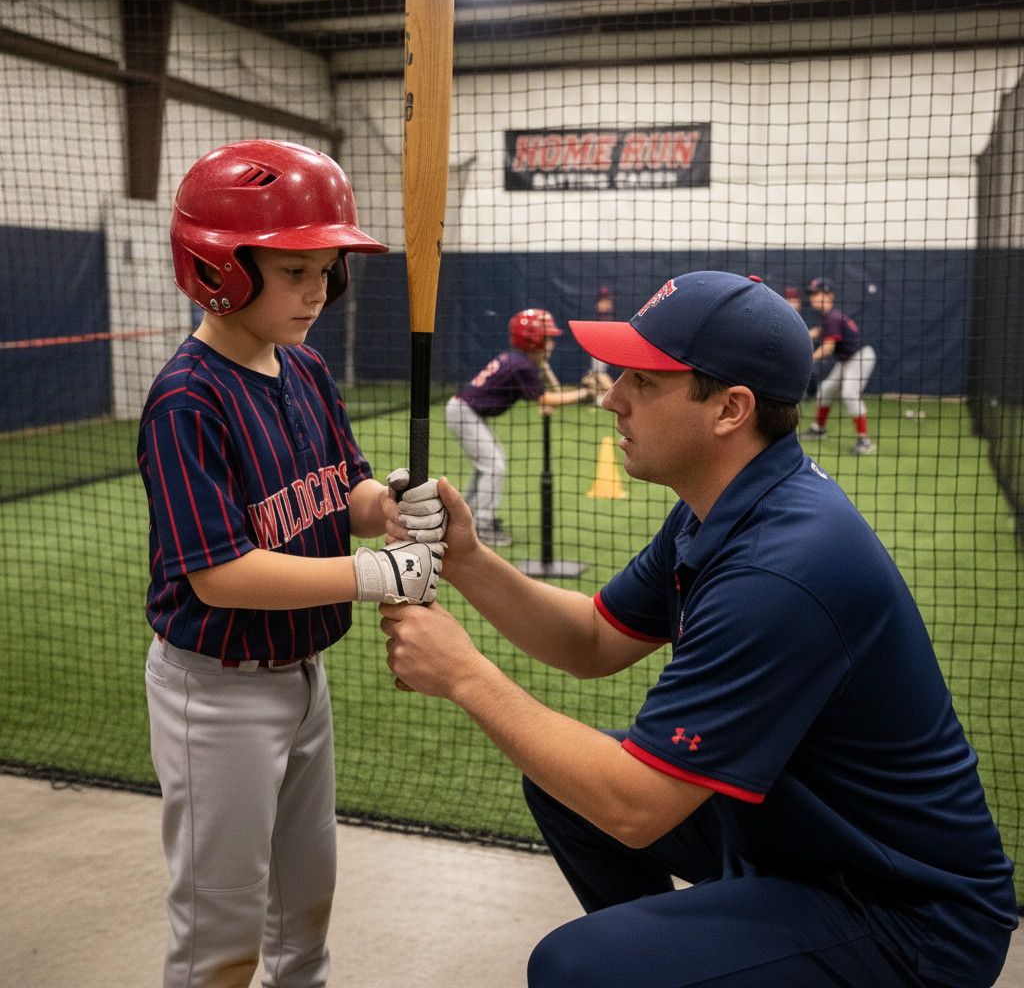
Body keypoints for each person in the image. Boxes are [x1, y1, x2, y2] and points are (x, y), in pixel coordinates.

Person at [381, 271, 1018, 988]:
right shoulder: (719, 505)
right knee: (560, 786)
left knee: (573, 966)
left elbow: (635, 806)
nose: (614, 397)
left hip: (905, 912)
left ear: (730, 409)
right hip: (795, 840)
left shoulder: (782, 569)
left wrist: (466, 675)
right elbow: (593, 640)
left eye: (645, 382)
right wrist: (467, 558)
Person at [139, 140, 447, 988]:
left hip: (304, 678)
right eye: (296, 270)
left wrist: (388, 507)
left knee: (306, 909)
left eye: (328, 270)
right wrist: (374, 574)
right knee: (221, 934)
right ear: (219, 271)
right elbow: (221, 573)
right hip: (217, 690)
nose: (319, 291)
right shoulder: (186, 398)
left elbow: (340, 490)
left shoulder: (306, 369)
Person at [445, 308, 596, 547]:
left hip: (464, 411)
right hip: (464, 413)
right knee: (493, 465)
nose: (552, 345)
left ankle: (468, 517)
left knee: (488, 464)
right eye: (548, 339)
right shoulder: (522, 366)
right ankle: (481, 525)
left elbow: (543, 396)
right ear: (533, 340)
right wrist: (585, 394)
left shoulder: (519, 361)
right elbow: (545, 399)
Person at [799, 277, 877, 454]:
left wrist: (807, 359)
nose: (814, 297)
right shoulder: (827, 317)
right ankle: (818, 429)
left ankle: (865, 441)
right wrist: (798, 334)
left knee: (849, 394)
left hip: (860, 357)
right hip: (846, 359)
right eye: (812, 294)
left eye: (819, 293)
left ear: (830, 295)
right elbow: (818, 332)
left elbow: (827, 349)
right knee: (825, 391)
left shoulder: (833, 317)